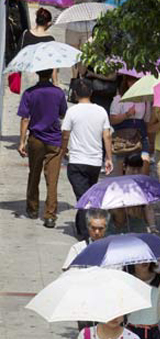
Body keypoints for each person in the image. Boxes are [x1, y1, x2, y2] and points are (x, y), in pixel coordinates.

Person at [61, 79, 113, 240]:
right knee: (86, 197)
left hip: (76, 161)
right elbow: (107, 135)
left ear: (75, 93)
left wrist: (63, 150)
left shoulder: (72, 112)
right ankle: (80, 226)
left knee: (84, 199)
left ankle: (85, 235)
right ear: (91, 92)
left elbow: (65, 134)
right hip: (95, 162)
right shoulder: (101, 111)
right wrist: (109, 158)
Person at [17, 68, 67, 228]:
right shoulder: (58, 93)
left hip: (35, 139)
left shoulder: (29, 93)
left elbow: (25, 119)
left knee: (34, 173)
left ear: (37, 73)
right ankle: (50, 215)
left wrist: (21, 142)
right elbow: (62, 113)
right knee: (52, 179)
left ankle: (32, 208)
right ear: (50, 73)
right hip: (54, 139)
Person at [109, 73, 150, 176]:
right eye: (130, 81)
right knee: (122, 168)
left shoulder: (145, 100)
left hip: (141, 135)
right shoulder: (119, 98)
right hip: (123, 137)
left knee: (144, 163)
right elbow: (112, 120)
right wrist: (127, 114)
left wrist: (151, 141)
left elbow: (147, 121)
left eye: (136, 81)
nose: (133, 83)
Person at [66, 0, 98, 78]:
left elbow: (95, 10)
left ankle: (82, 78)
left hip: (87, 27)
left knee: (85, 55)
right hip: (72, 27)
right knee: (72, 56)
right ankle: (74, 79)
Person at [18, 8, 59, 85]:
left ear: (36, 20)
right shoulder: (50, 40)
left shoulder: (25, 34)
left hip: (26, 80)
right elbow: (53, 64)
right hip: (43, 80)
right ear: (48, 23)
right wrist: (55, 82)